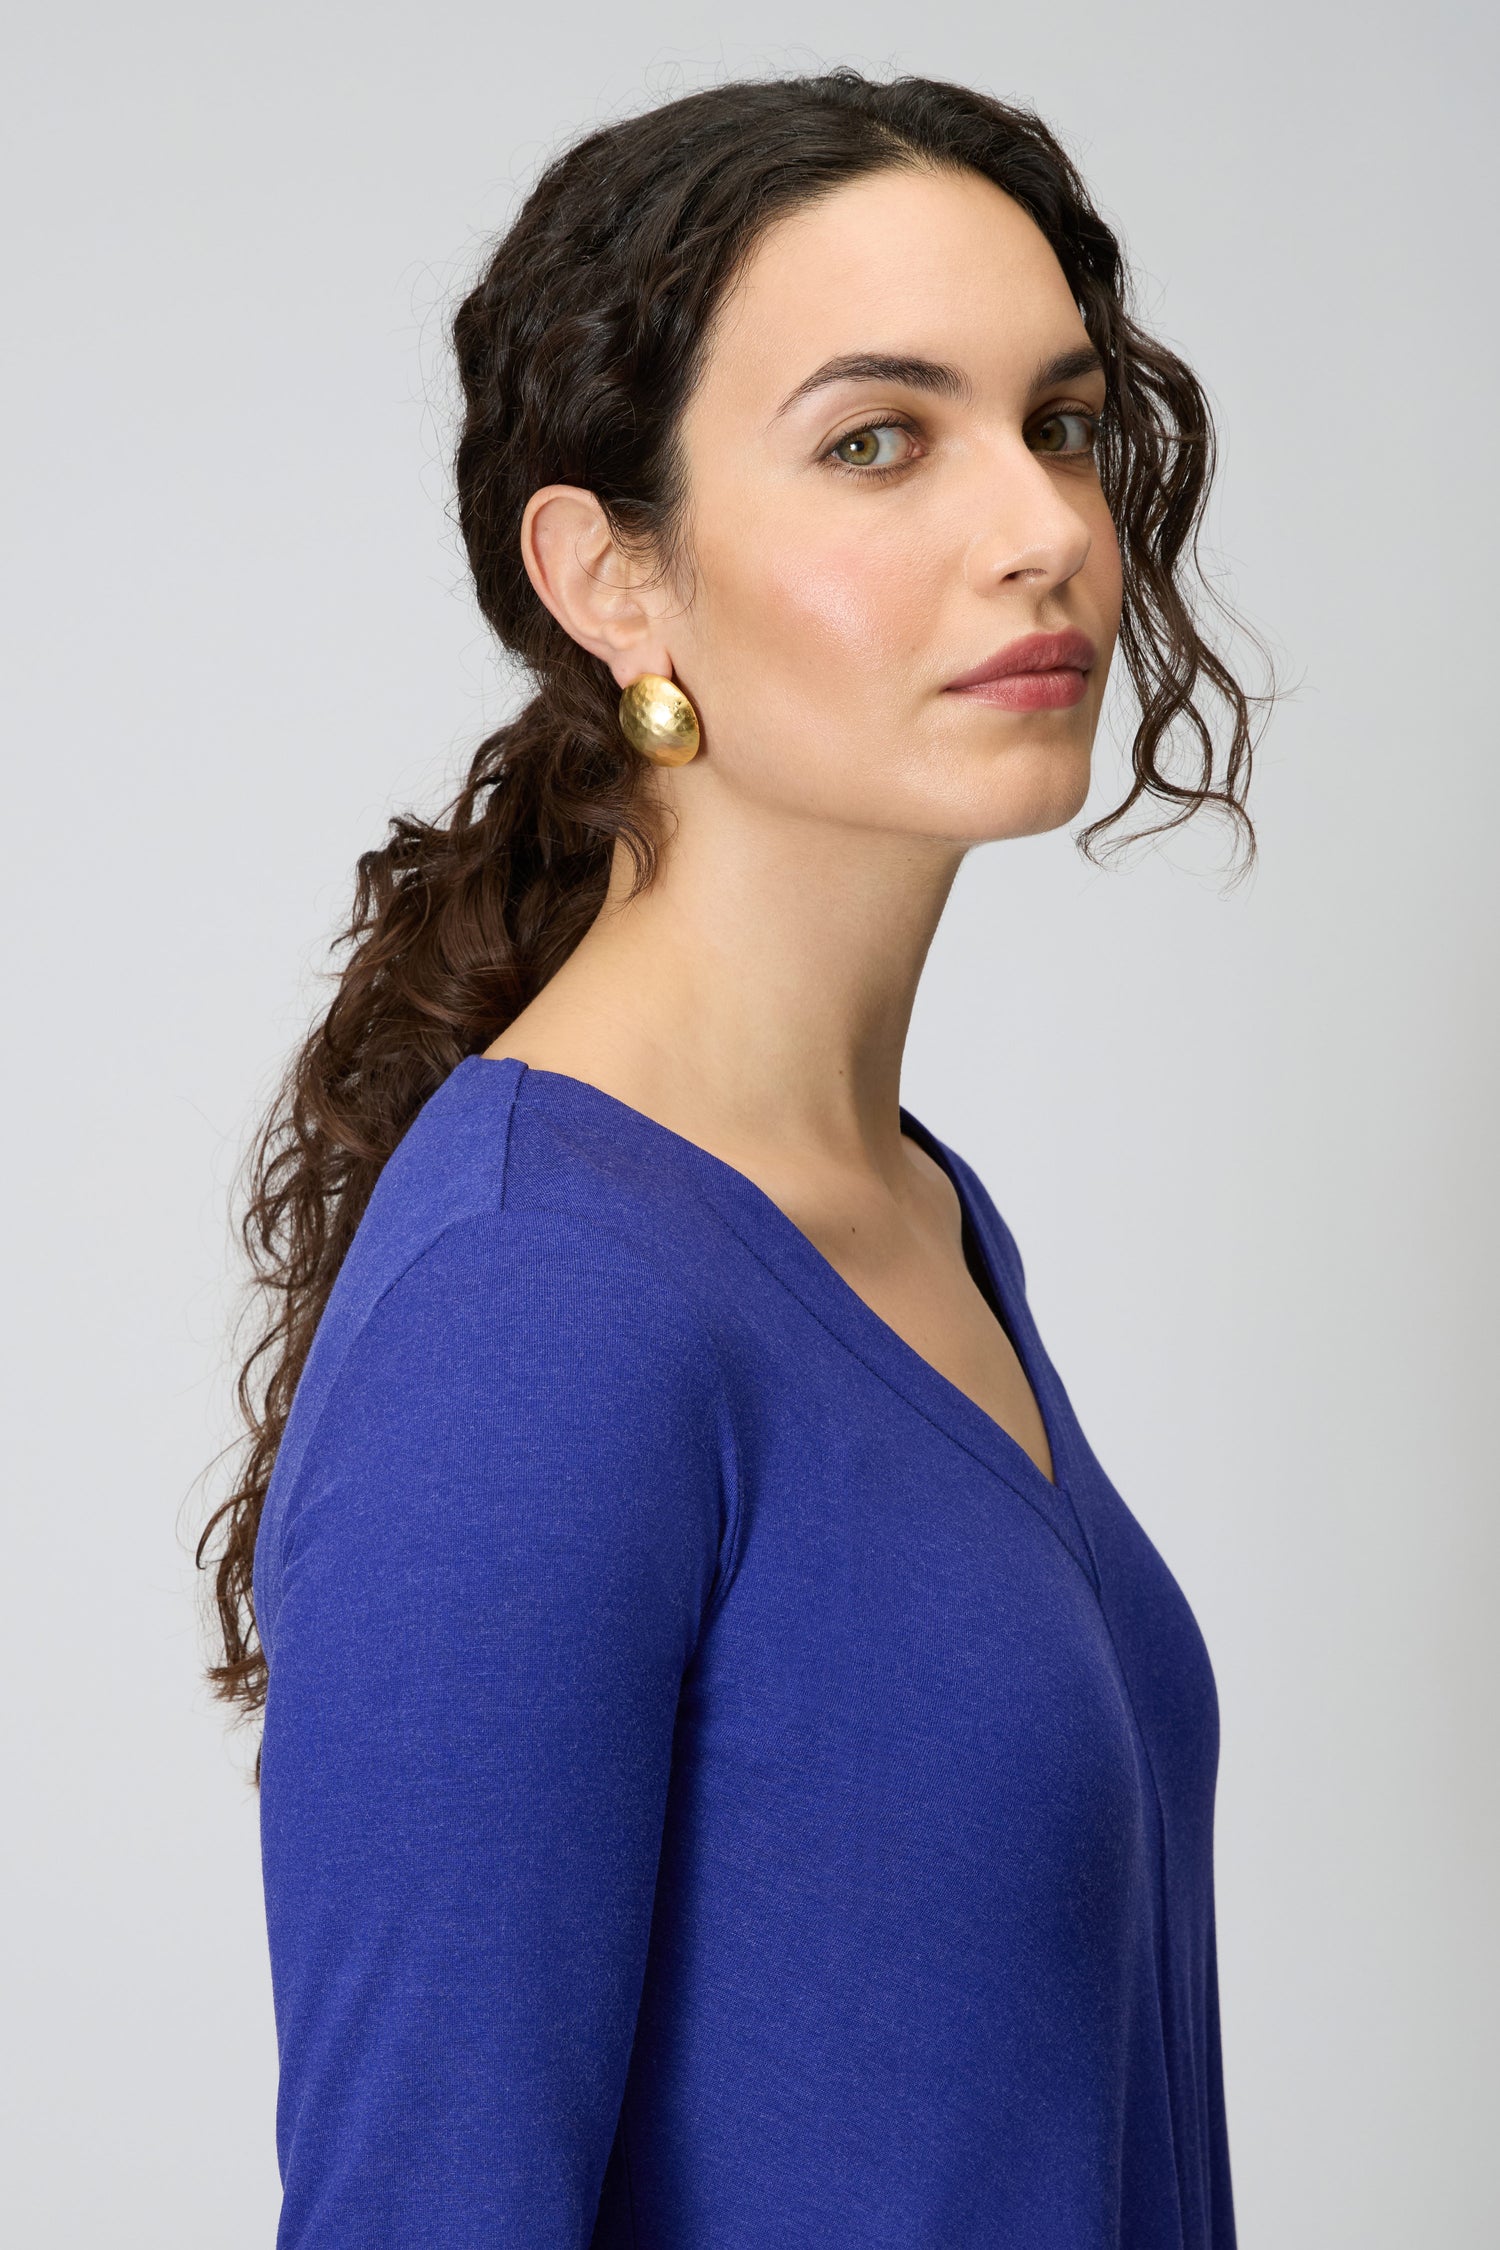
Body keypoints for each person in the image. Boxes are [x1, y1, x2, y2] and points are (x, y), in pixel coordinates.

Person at [201, 67, 1265, 2249]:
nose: (1042, 524)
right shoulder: (542, 1310)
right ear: (613, 576)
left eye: (1058, 421)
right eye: (881, 438)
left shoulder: (908, 1208)